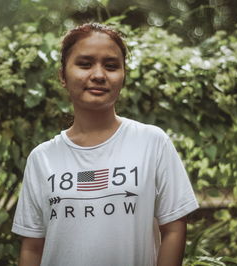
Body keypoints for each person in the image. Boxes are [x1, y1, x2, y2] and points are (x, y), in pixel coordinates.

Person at [12, 22, 199, 266]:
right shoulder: (42, 158)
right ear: (62, 76)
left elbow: (174, 230)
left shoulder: (152, 143)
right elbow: (33, 247)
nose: (99, 75)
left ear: (123, 76)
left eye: (111, 66)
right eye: (85, 64)